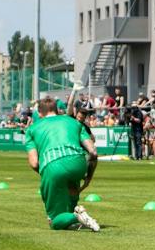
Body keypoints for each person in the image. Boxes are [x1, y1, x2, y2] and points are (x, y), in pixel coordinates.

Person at [21, 96, 100, 231]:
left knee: (54, 221)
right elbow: (93, 152)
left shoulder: (32, 129)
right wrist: (88, 178)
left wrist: (48, 173)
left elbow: (34, 163)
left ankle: (77, 217)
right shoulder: (74, 122)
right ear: (57, 110)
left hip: (52, 165)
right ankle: (74, 216)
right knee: (71, 196)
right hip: (78, 163)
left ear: (39, 113)